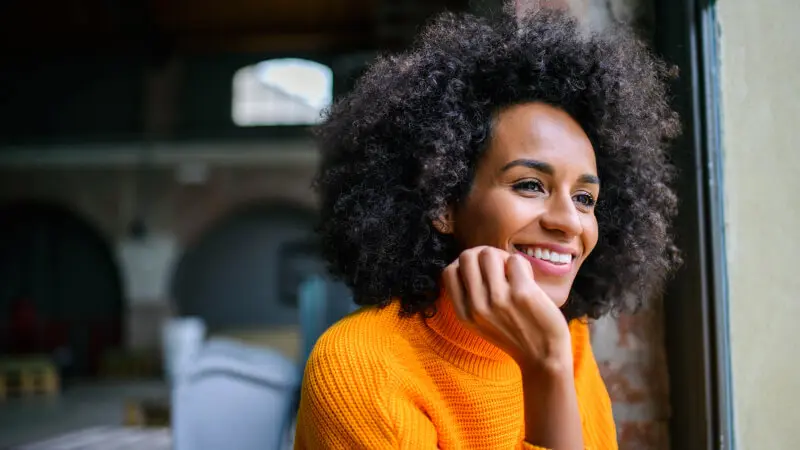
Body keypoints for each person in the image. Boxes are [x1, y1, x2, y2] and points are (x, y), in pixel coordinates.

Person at [294, 6, 680, 450]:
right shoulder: (359, 365)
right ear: (443, 202)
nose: (569, 221)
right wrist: (543, 370)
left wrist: (550, 362)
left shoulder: (563, 339)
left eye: (584, 198)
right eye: (531, 185)